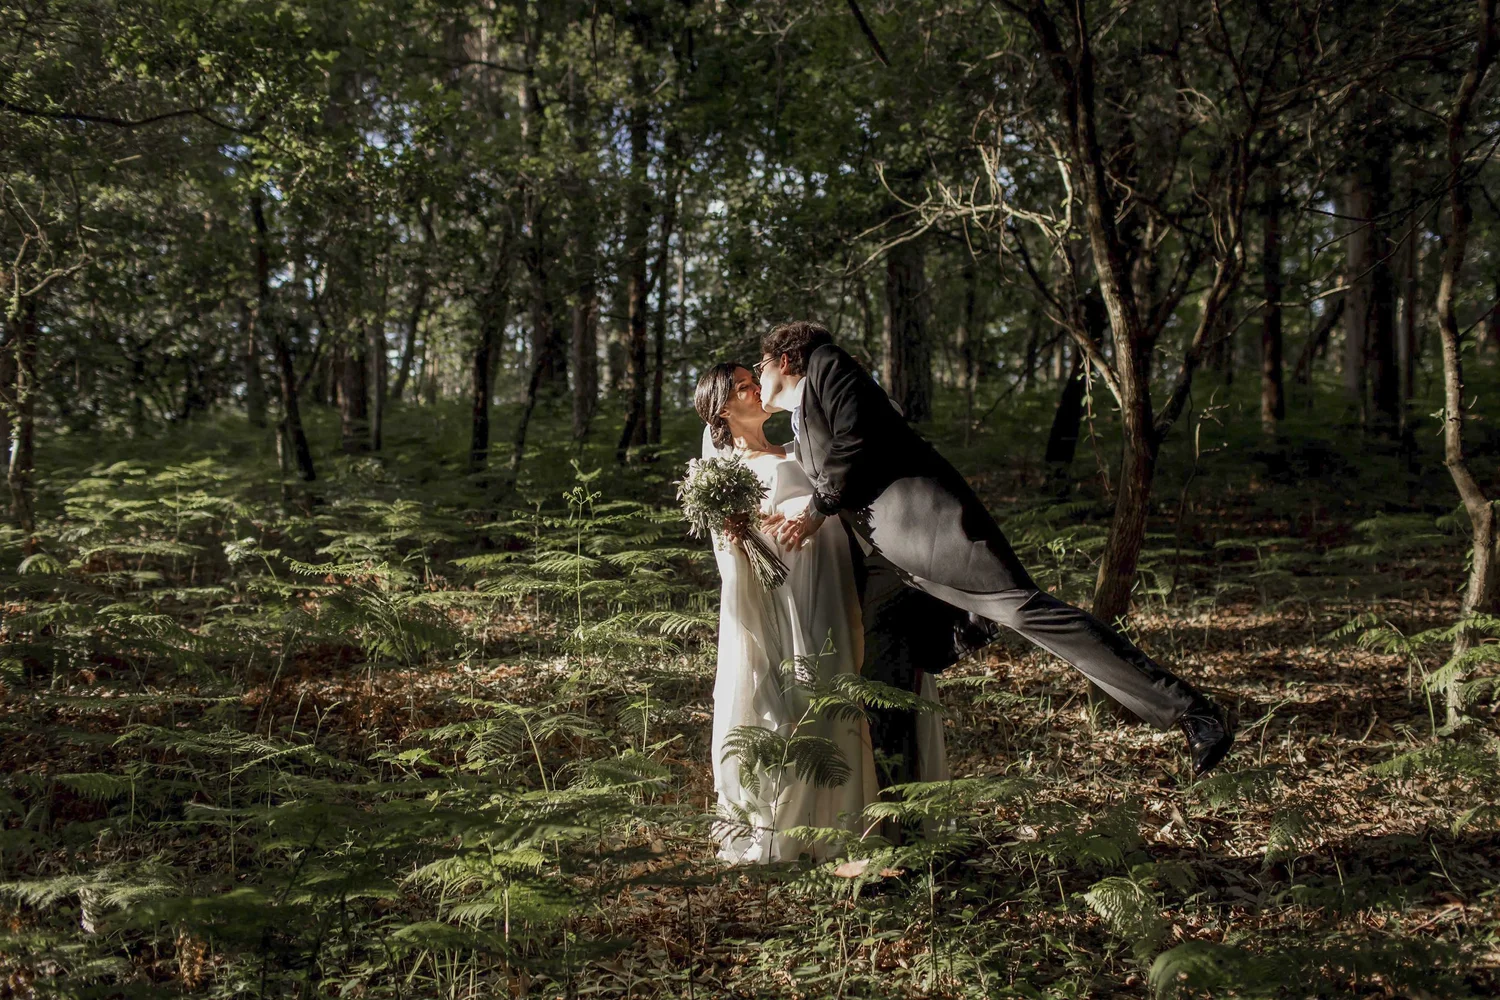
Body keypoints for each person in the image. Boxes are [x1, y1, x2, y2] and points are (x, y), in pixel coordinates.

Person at [756, 321, 1235, 777]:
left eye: (760, 367)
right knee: (885, 683)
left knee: (1029, 614)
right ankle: (898, 824)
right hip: (891, 562)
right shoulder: (799, 423)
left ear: (785, 359)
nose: (758, 379)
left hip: (935, 536)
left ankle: (1192, 711)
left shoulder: (827, 363)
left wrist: (816, 510)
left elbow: (855, 439)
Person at [693, 363, 876, 863]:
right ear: (722, 409)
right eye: (743, 387)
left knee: (837, 682)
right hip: (785, 591)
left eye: (754, 380)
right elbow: (735, 550)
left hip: (831, 580)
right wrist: (745, 534)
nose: (757, 388)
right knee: (797, 694)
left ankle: (840, 825)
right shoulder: (727, 473)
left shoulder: (798, 448)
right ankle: (784, 826)